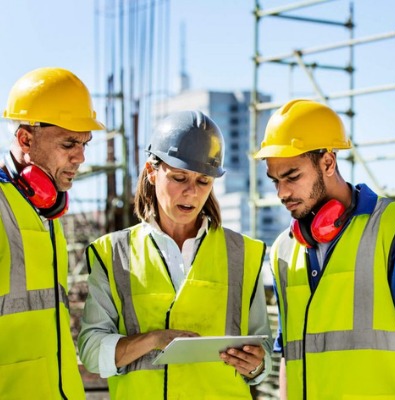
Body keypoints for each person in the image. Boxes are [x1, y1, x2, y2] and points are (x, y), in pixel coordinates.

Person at [254, 99, 395, 400]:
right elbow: (289, 354)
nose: (282, 193)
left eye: (292, 177)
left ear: (328, 163)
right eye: (275, 181)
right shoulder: (283, 250)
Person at [77, 110, 273, 399]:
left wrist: (256, 364)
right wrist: (154, 339)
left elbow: (264, 357)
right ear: (152, 172)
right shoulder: (112, 254)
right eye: (179, 178)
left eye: (203, 181)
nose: (191, 193)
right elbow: (92, 352)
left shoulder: (244, 255)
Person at [0, 67, 105, 399]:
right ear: (26, 139)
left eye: (85, 143)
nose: (81, 157)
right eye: (69, 143)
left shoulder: (46, 213)